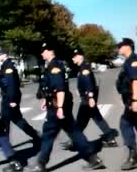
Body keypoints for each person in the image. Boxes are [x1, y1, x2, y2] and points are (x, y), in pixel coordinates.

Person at [27, 43, 105, 172]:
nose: (42, 54)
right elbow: (52, 89)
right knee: (74, 133)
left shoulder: (55, 68)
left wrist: (60, 107)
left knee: (48, 134)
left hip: (58, 106)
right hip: (57, 104)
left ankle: (41, 164)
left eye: (43, 51)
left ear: (50, 52)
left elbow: (60, 89)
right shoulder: (54, 66)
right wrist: (46, 101)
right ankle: (93, 159)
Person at [60, 48, 118, 151]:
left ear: (80, 56)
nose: (73, 58)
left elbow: (89, 84)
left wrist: (90, 97)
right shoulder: (83, 68)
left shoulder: (84, 69)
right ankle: (110, 139)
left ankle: (75, 141)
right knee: (96, 119)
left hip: (87, 100)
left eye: (74, 56)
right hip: (87, 99)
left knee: (80, 122)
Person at [0, 48, 41, 146]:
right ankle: (34, 134)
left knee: (8, 119)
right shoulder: (5, 66)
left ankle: (5, 142)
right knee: (14, 119)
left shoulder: (8, 68)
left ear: (4, 55)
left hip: (9, 98)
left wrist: (12, 99)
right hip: (7, 96)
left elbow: (11, 85)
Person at [115, 38, 137, 170]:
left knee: (125, 124)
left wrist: (135, 100)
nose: (119, 48)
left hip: (133, 100)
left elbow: (136, 81)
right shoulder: (129, 61)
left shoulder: (133, 61)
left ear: (128, 46)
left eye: (121, 46)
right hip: (130, 100)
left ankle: (133, 156)